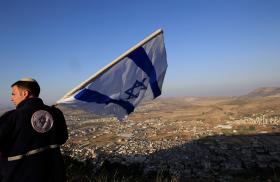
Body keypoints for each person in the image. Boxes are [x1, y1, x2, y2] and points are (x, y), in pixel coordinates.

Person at [0, 78, 68, 182]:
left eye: (13, 94)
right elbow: (63, 138)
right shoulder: (56, 113)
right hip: (54, 176)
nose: (11, 98)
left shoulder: (11, 118)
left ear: (25, 93)